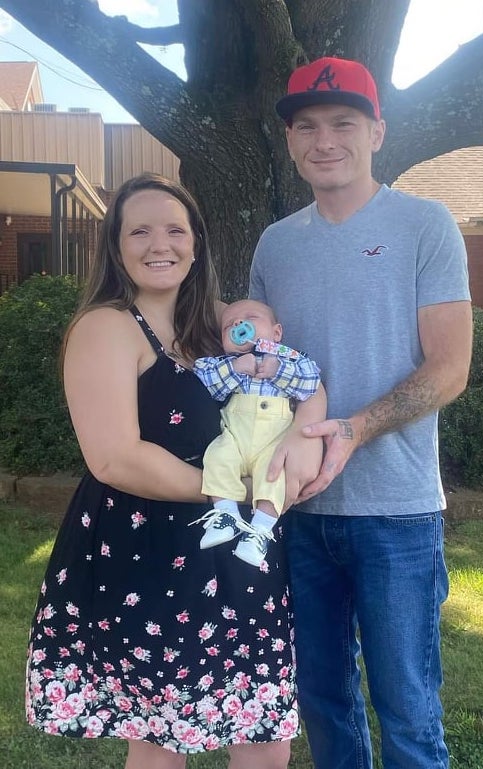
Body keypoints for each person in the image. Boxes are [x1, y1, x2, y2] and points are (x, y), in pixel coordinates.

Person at [24, 172, 318, 769]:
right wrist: (239, 495)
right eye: (140, 231)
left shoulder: (224, 324)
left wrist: (303, 437)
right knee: (159, 741)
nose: (160, 244)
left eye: (175, 230)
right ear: (115, 246)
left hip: (240, 555)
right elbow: (115, 457)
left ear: (196, 243)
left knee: (264, 736)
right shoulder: (106, 327)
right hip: (148, 556)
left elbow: (299, 374)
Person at [249, 56, 473, 769]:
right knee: (322, 701)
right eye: (306, 126)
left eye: (343, 123)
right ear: (289, 140)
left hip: (396, 510)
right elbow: (259, 368)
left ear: (376, 132)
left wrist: (353, 429)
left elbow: (449, 368)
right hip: (298, 507)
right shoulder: (275, 243)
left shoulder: (424, 224)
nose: (324, 140)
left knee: (407, 708)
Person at [191, 298, 321, 567]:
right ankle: (225, 515)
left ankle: (260, 530)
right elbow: (205, 382)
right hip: (235, 436)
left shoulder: (291, 358)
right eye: (229, 325)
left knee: (273, 474)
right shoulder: (222, 363)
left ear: (276, 332)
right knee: (217, 458)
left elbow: (310, 383)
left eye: (250, 317)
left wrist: (278, 370)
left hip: (273, 439)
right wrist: (236, 367)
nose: (239, 323)